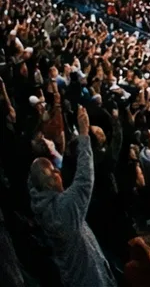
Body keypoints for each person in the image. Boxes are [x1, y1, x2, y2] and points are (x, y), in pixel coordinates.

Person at [30, 103, 113, 287]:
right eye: (53, 172)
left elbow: (34, 181)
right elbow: (84, 181)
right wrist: (84, 135)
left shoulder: (42, 204)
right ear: (49, 183)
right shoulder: (63, 209)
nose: (58, 173)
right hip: (90, 279)